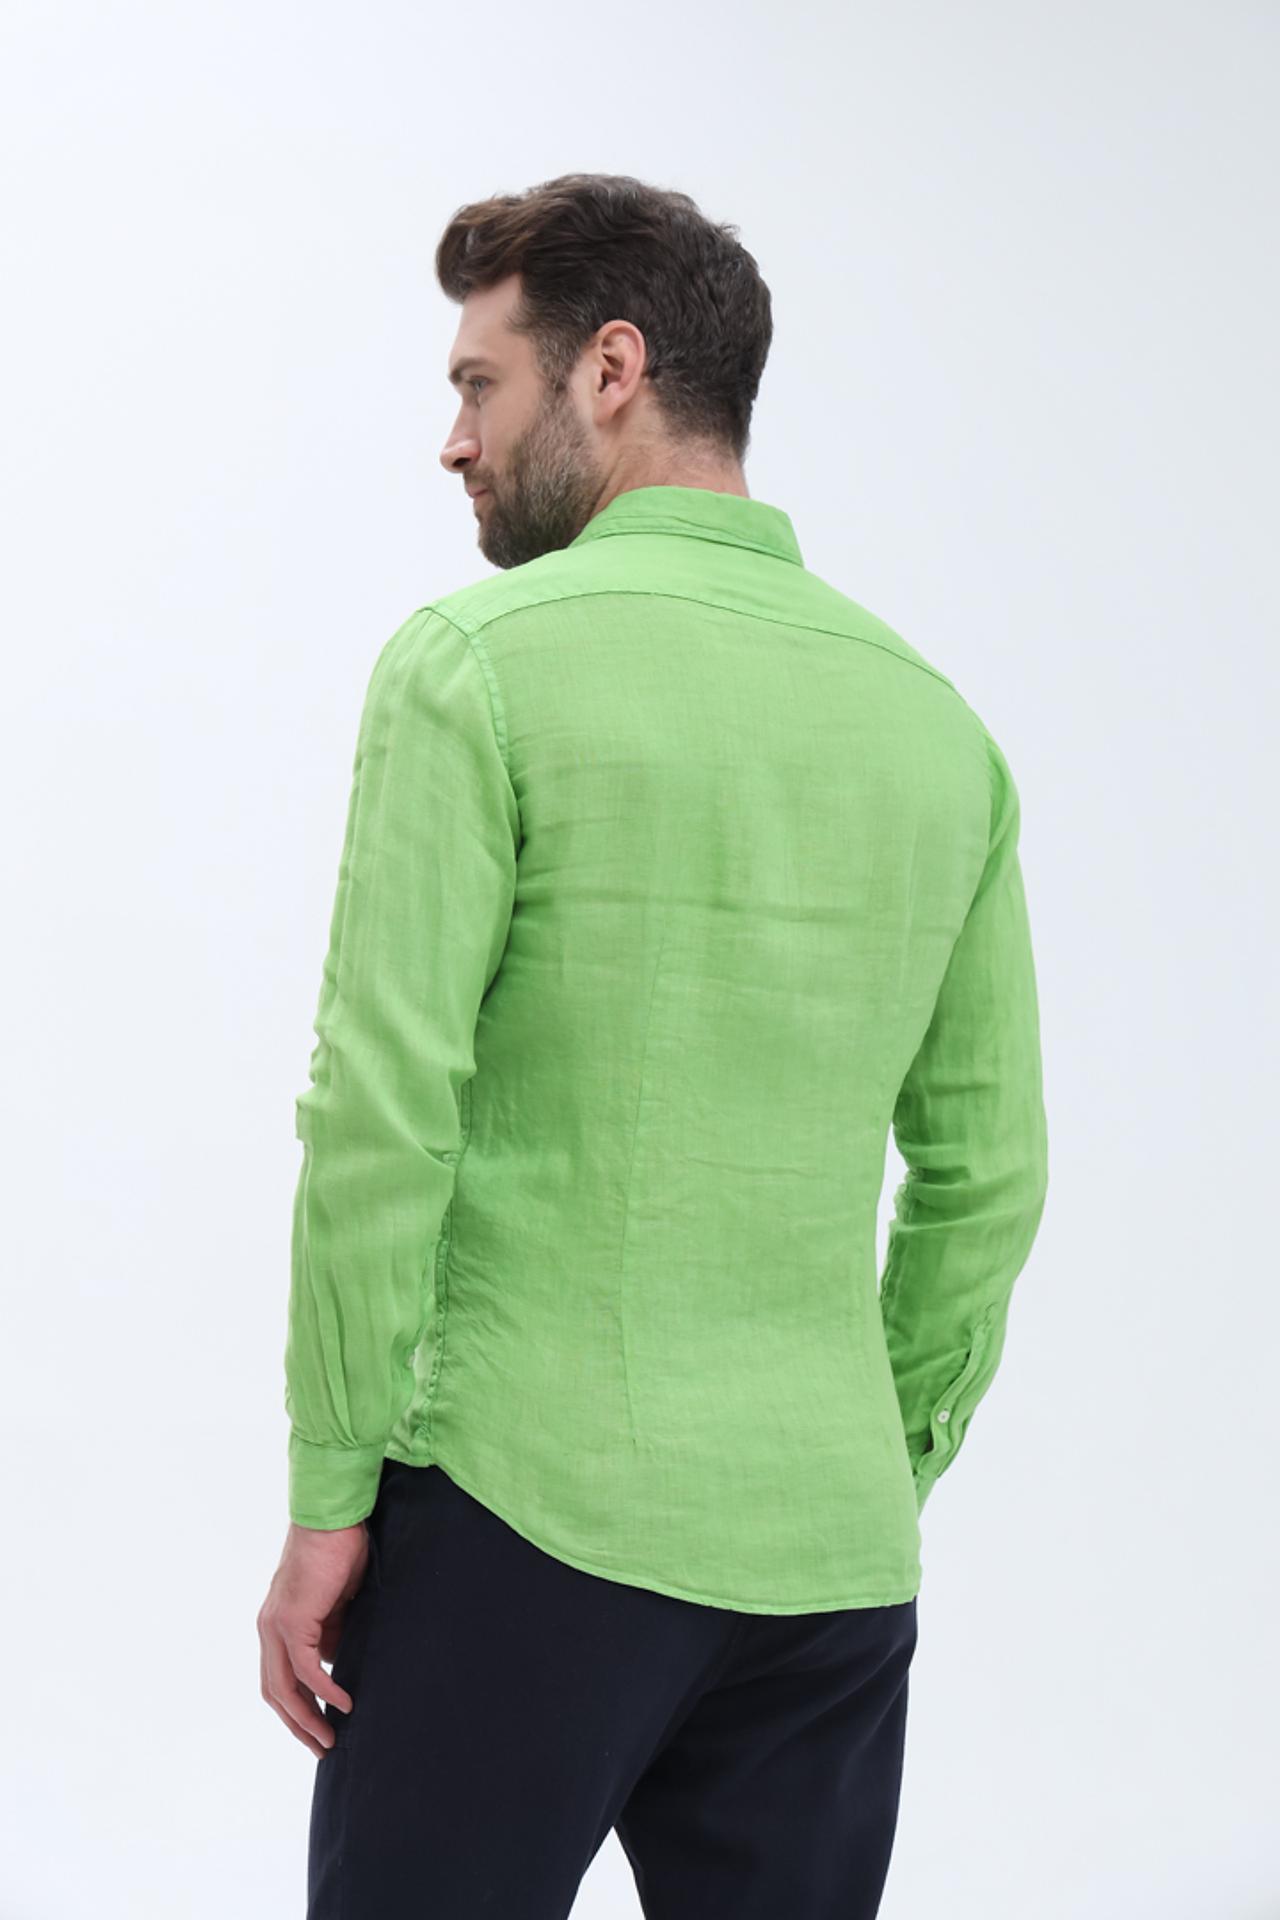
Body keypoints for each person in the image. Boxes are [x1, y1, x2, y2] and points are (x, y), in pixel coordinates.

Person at [256, 171, 1049, 1919]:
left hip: (519, 1522)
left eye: (480, 384)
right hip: (831, 1563)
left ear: (609, 370)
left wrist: (329, 1497)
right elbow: (989, 1177)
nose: (453, 441)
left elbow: (381, 1117)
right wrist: (876, 1450)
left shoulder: (474, 666)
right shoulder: (938, 730)